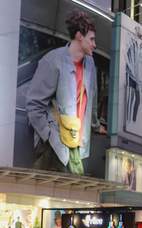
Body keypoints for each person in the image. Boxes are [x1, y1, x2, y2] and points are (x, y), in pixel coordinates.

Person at [26, 10, 106, 175]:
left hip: (76, 144)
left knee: (72, 193)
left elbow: (91, 101)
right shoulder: (52, 61)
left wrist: (96, 125)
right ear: (79, 36)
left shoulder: (90, 64)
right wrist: (48, 135)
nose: (94, 44)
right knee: (48, 194)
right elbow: (34, 105)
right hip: (53, 144)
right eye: (91, 39)